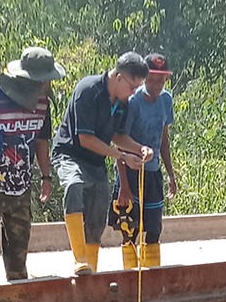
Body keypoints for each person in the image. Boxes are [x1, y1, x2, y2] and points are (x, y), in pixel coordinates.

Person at [0, 46, 64, 287]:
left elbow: (41, 140)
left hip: (21, 187)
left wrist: (46, 177)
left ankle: (17, 293)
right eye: (42, 81)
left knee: (18, 249)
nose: (46, 86)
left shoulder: (42, 104)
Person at [51, 51, 152, 275]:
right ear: (118, 78)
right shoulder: (88, 90)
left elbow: (117, 136)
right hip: (70, 154)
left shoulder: (122, 102)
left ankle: (91, 269)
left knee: (99, 206)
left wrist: (139, 148)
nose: (133, 93)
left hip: (96, 161)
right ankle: (79, 259)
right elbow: (85, 139)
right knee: (74, 186)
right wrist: (122, 157)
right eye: (132, 87)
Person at [113, 53, 178, 269]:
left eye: (160, 80)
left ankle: (152, 276)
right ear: (144, 78)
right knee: (129, 227)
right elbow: (118, 144)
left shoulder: (166, 100)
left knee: (153, 227)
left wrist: (170, 174)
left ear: (165, 80)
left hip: (153, 172)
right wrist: (123, 185)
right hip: (131, 173)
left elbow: (164, 140)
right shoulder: (132, 103)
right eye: (151, 79)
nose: (156, 85)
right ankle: (130, 277)